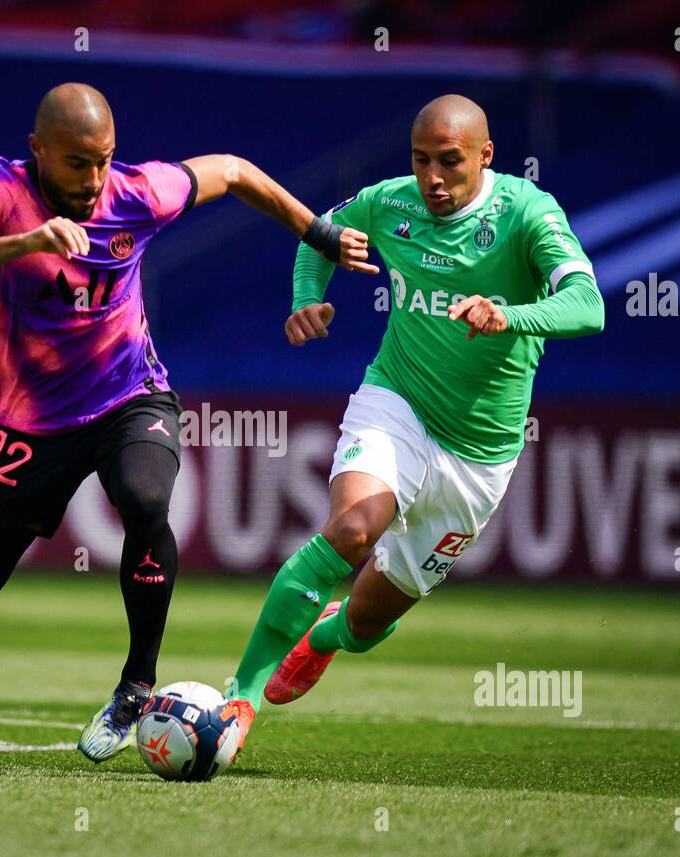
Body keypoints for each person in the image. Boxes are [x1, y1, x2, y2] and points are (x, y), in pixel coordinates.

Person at [0, 82, 374, 770]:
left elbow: (231, 169)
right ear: (37, 151)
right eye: (77, 163)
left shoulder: (136, 193)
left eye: (104, 159)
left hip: (130, 399)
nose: (93, 178)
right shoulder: (0, 186)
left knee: (144, 497)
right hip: (35, 426)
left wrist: (314, 229)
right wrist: (26, 240)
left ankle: (137, 685)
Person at [226, 94, 605, 748]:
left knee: (368, 624)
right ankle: (239, 701)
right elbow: (321, 234)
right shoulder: (390, 201)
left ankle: (326, 635)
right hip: (396, 400)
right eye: (421, 159)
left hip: (481, 452)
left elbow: (588, 303)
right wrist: (306, 299)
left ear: (486, 156)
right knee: (351, 528)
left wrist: (510, 315)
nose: (432, 177)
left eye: (450, 162)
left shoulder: (526, 214)